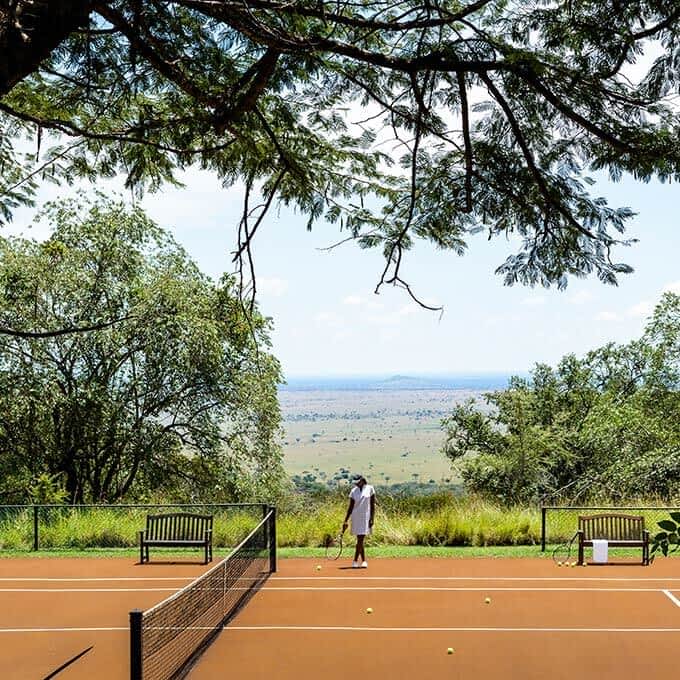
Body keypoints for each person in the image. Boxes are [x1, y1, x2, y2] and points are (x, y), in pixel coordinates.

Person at [342, 474, 375, 568]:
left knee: (360, 539)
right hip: (356, 517)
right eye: (355, 483)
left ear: (362, 480)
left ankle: (355, 561)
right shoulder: (353, 491)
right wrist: (345, 520)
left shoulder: (370, 489)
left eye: (358, 482)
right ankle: (364, 561)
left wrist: (372, 518)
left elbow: (372, 506)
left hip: (366, 517)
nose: (356, 484)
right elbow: (350, 507)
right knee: (360, 539)